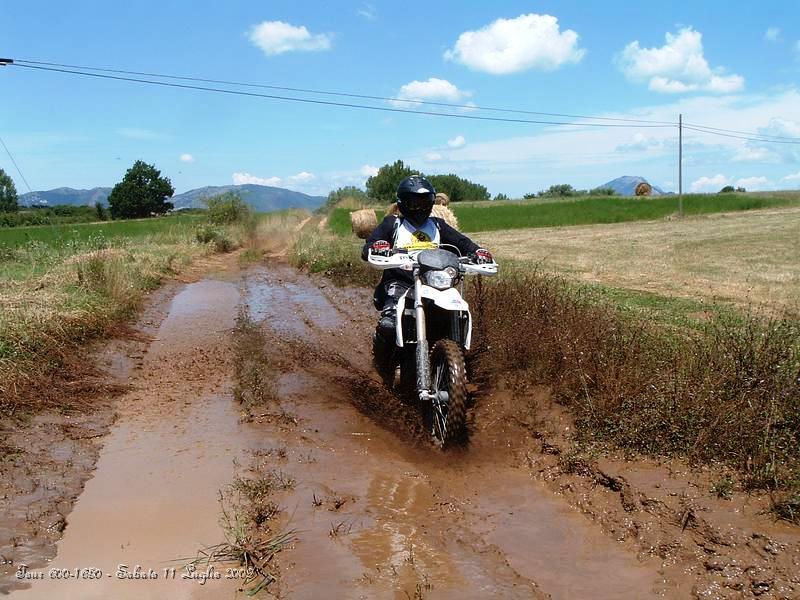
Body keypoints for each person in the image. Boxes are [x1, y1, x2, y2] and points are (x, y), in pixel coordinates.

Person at [361, 175, 493, 369]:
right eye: (413, 202)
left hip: (433, 282)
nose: (419, 207)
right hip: (401, 282)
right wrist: (377, 246)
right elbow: (370, 246)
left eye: (424, 202)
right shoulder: (393, 224)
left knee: (456, 313)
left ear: (432, 202)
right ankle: (381, 366)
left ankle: (453, 362)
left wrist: (478, 251)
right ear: (402, 203)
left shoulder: (438, 225)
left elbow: (463, 242)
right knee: (388, 324)